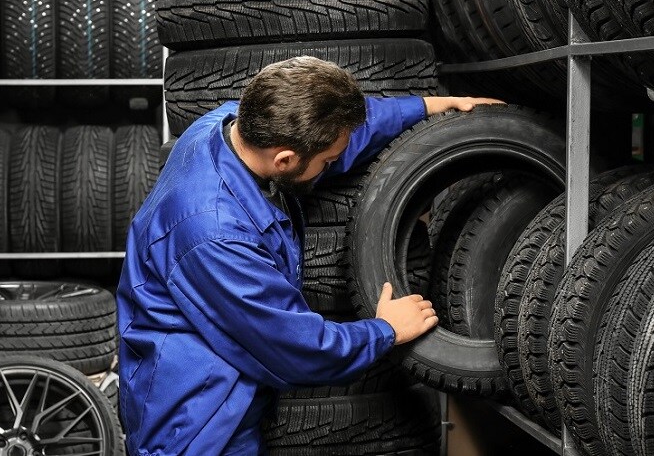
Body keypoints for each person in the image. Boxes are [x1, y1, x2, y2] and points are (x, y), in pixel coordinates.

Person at [117, 56, 500, 455]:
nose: (331, 166)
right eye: (328, 164)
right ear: (284, 160)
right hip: (195, 424)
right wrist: (386, 330)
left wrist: (425, 107)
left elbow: (338, 129)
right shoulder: (215, 235)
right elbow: (294, 347)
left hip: (219, 392)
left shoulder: (229, 124)